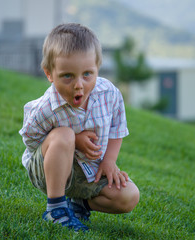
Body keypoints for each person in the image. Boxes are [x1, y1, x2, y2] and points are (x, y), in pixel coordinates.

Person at [19, 23, 140, 232]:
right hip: (49, 172)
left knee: (129, 195)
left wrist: (110, 162)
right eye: (68, 75)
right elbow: (30, 140)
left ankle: (78, 205)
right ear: (49, 74)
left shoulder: (109, 95)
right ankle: (56, 210)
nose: (78, 85)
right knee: (64, 134)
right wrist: (73, 140)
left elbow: (116, 129)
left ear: (97, 68)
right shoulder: (47, 108)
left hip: (89, 171)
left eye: (87, 74)